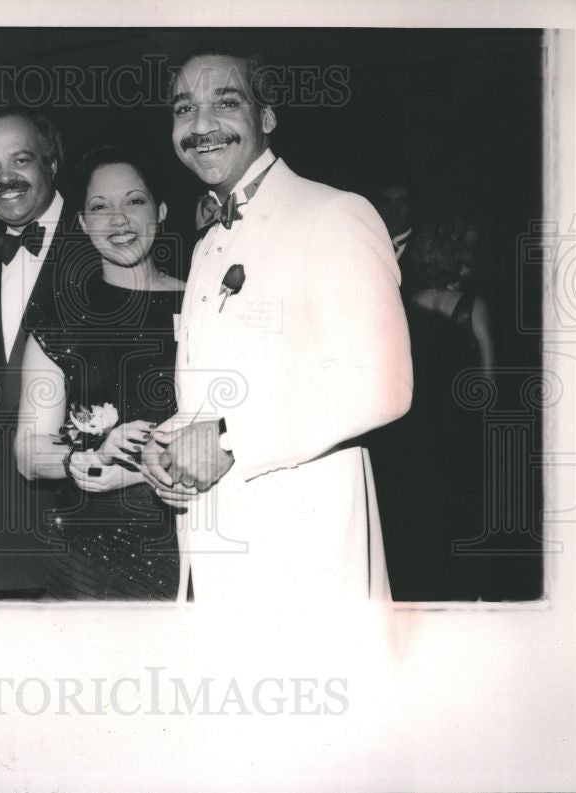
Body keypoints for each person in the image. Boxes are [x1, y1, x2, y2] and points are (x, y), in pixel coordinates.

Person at [141, 50, 414, 605]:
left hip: (302, 556)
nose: (201, 126)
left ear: (266, 117)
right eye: (184, 108)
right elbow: (226, 388)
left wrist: (224, 440)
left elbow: (382, 383)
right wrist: (165, 444)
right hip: (215, 554)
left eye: (226, 102)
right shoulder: (208, 241)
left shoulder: (333, 213)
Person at [14, 145, 185, 600]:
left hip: (192, 536)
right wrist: (84, 458)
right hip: (88, 555)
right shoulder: (58, 317)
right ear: (84, 224)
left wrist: (139, 471)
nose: (118, 219)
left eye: (134, 201)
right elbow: (29, 450)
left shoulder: (205, 303)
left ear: (161, 210)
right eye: (99, 207)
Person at [0, 105, 76, 597]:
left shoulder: (108, 242)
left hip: (81, 529)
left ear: (52, 162)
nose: (5, 179)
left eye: (20, 160)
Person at [370, 218, 494, 600]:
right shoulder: (473, 306)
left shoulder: (404, 307)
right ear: (455, 261)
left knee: (416, 524)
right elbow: (489, 381)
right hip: (459, 429)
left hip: (413, 432)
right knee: (459, 522)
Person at [372, 179, 415, 265]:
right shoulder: (366, 243)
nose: (394, 211)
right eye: (386, 202)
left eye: (401, 202)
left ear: (411, 206)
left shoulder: (429, 249)